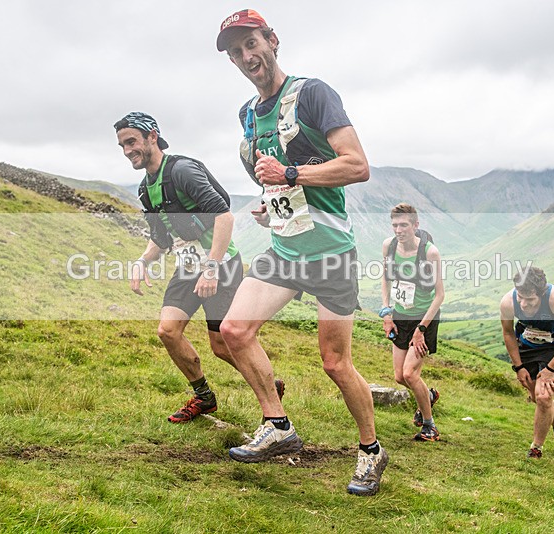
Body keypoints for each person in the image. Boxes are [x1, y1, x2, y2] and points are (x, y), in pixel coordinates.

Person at [215, 9, 387, 496]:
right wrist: (272, 207)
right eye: (235, 52)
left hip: (331, 253)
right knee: (233, 329)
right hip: (284, 249)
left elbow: (357, 166)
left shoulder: (313, 93)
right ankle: (278, 425)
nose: (246, 56)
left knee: (335, 363)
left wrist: (290, 177)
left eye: (251, 44)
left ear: (272, 41)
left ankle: (371, 452)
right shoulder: (248, 115)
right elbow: (274, 180)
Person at [114, 112, 283, 424]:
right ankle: (204, 397)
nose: (127, 150)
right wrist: (141, 262)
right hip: (188, 266)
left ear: (152, 136)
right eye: (122, 145)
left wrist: (211, 268)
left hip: (220, 264)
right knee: (167, 331)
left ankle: (270, 392)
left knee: (223, 345)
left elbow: (224, 216)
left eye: (131, 142)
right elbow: (162, 239)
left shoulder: (182, 171)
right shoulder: (145, 188)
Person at [500, 266, 554, 458]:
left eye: (530, 300)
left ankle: (536, 448)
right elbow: (508, 333)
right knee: (538, 398)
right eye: (520, 297)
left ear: (541, 293)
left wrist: (550, 370)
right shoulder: (508, 302)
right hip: (527, 346)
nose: (524, 304)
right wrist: (518, 366)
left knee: (544, 397)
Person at [380, 203, 445, 442]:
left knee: (410, 374)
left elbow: (440, 295)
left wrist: (421, 330)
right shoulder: (389, 246)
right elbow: (386, 279)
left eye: (404, 225)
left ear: (415, 225)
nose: (399, 229)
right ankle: (427, 395)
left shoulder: (429, 253)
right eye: (395, 225)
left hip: (424, 318)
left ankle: (429, 426)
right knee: (399, 376)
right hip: (400, 315)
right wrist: (387, 313)